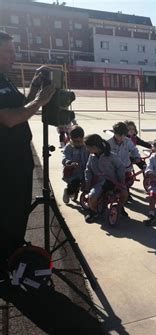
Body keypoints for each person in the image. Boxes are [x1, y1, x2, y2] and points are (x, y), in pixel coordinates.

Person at [0, 31, 55, 276]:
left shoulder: (4, 77)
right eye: (9, 52)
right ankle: (6, 261)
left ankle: (13, 252)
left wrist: (33, 89)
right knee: (8, 209)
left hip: (18, 156)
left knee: (19, 207)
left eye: (14, 51)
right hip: (6, 161)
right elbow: (11, 118)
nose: (14, 56)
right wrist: (41, 101)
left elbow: (20, 107)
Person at [83, 134, 128, 223]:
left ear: (95, 147)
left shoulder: (111, 156)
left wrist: (121, 180)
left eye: (88, 147)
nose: (86, 149)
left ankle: (119, 207)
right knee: (92, 197)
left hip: (113, 182)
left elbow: (120, 167)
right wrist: (88, 182)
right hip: (99, 183)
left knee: (124, 193)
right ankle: (94, 212)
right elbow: (88, 170)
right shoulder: (92, 157)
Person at [62, 125, 89, 203]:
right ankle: (68, 191)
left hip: (84, 170)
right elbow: (65, 157)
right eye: (76, 142)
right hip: (73, 172)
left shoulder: (85, 146)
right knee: (74, 184)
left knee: (89, 182)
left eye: (80, 141)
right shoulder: (69, 147)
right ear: (71, 139)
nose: (79, 143)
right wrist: (69, 163)